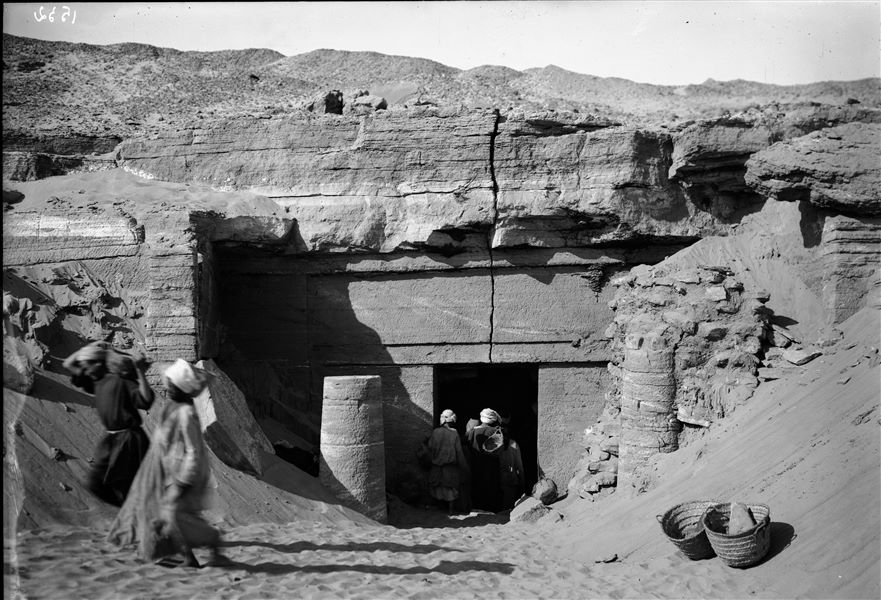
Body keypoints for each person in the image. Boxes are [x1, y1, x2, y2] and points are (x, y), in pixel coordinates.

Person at [108, 358, 228, 568]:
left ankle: (203, 547)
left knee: (173, 514)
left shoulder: (185, 413)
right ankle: (187, 554)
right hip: (172, 470)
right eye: (169, 384)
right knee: (171, 514)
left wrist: (183, 482)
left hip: (185, 473)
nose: (168, 388)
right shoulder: (174, 406)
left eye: (172, 385)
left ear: (182, 389)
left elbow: (193, 450)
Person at [63, 341, 154, 506]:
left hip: (130, 441)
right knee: (95, 483)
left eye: (87, 366)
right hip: (111, 441)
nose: (85, 371)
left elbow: (145, 401)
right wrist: (95, 346)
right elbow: (67, 363)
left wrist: (140, 372)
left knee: (126, 486)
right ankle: (129, 512)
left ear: (98, 363)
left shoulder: (120, 381)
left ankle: (136, 517)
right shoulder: (96, 383)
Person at [426, 409, 469, 515]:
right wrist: (464, 466)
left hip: (436, 467)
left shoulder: (435, 432)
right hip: (450, 468)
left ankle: (439, 508)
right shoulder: (454, 433)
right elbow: (458, 451)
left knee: (437, 488)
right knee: (450, 490)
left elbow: (430, 447)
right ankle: (450, 510)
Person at [464, 408, 504, 512]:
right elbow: (500, 451)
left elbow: (464, 447)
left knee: (476, 490)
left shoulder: (472, 432)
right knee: (490, 492)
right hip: (491, 470)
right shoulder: (496, 432)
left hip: (475, 468)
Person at [498, 426, 525, 510]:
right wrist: (522, 483)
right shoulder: (513, 444)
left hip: (500, 479)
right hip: (511, 480)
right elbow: (519, 466)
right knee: (509, 506)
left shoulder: (495, 445)